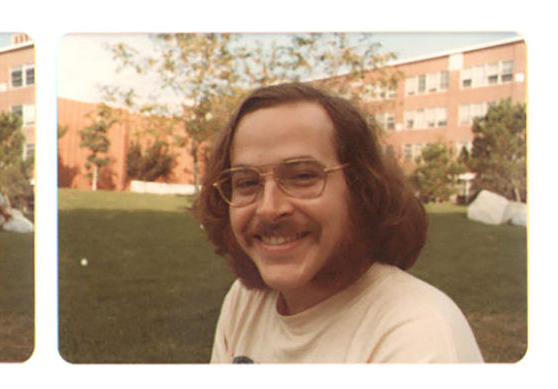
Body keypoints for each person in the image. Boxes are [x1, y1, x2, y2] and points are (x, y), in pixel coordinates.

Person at [193, 82, 483, 363]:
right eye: (246, 182)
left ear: (360, 189)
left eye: (303, 176)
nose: (269, 208)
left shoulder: (416, 331)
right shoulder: (246, 302)